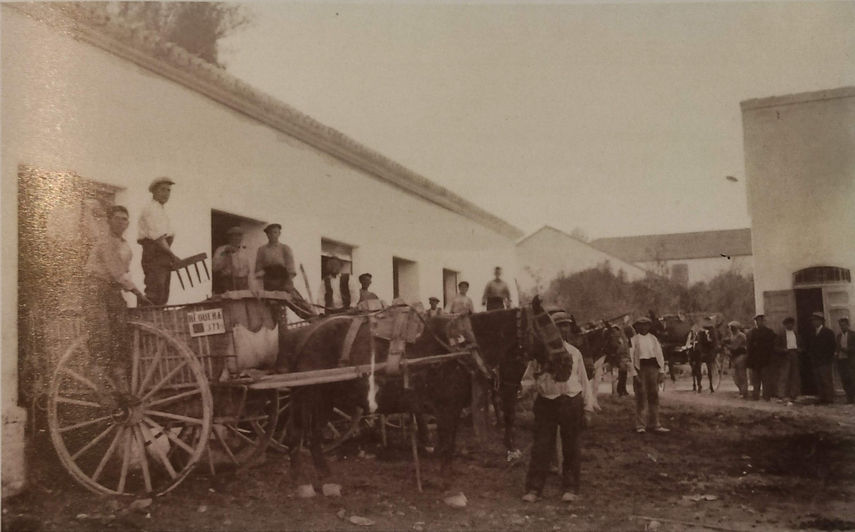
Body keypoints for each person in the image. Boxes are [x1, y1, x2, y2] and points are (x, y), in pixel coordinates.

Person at [521, 311, 594, 503]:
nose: (563, 329)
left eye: (566, 325)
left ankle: (570, 488)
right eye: (559, 325)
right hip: (547, 402)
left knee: (571, 446)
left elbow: (584, 381)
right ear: (551, 329)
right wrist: (526, 391)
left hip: (571, 401)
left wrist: (588, 408)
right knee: (541, 446)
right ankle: (534, 489)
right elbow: (528, 380)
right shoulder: (540, 353)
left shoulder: (574, 352)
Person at [84, 206, 151, 395]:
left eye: (125, 219)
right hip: (95, 289)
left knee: (121, 333)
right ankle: (99, 383)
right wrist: (137, 292)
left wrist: (130, 288)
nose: (122, 222)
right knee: (102, 334)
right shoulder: (105, 241)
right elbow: (116, 270)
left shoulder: (124, 244)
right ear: (108, 220)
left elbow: (122, 272)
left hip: (113, 290)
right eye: (117, 218)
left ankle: (120, 378)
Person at [137, 177, 180, 305]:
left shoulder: (160, 210)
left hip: (162, 254)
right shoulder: (151, 209)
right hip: (154, 253)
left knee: (162, 294)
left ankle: (156, 320)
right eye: (162, 190)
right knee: (154, 292)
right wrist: (172, 255)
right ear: (154, 192)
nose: (166, 193)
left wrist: (169, 256)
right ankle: (145, 320)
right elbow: (159, 238)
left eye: (168, 190)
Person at [628, 317, 669, 434]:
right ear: (637, 327)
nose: (643, 327)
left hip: (653, 368)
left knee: (654, 396)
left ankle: (655, 424)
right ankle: (640, 425)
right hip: (641, 369)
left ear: (649, 326)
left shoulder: (653, 339)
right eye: (641, 325)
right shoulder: (633, 340)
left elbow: (660, 355)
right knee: (641, 396)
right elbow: (630, 359)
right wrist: (635, 374)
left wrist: (661, 372)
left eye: (646, 325)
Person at [254, 223, 296, 291]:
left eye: (275, 232)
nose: (273, 235)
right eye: (270, 233)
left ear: (279, 234)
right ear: (267, 235)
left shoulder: (285, 248)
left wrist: (287, 283)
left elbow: (291, 269)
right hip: (268, 282)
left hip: (283, 282)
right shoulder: (262, 250)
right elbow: (258, 269)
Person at [808, 312, 836, 404]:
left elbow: (832, 347)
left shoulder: (828, 332)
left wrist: (828, 359)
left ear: (821, 321)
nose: (814, 322)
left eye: (815, 320)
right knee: (818, 380)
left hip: (824, 361)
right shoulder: (812, 333)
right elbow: (811, 347)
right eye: (813, 320)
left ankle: (829, 398)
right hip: (816, 361)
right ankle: (822, 397)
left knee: (826, 380)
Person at [746, 314, 776, 400]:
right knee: (756, 380)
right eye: (757, 321)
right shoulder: (751, 333)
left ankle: (766, 397)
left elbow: (772, 346)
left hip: (765, 360)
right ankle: (756, 396)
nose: (759, 322)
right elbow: (748, 347)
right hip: (754, 361)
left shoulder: (769, 332)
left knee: (766, 380)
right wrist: (749, 361)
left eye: (761, 321)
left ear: (764, 321)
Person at [212, 226, 250, 293]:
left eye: (239, 236)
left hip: (243, 282)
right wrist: (225, 254)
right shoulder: (221, 249)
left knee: (243, 300)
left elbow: (249, 269)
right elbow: (214, 268)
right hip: (228, 281)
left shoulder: (245, 250)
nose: (236, 238)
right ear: (229, 238)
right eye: (233, 236)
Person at [775, 317, 803, 405]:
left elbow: (802, 346)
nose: (790, 325)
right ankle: (781, 395)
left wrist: (800, 349)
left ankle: (793, 395)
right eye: (788, 323)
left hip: (794, 354)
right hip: (785, 355)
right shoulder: (781, 334)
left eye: (791, 323)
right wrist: (783, 350)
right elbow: (775, 347)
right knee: (784, 375)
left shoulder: (796, 334)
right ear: (785, 325)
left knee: (795, 375)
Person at [695, 317, 719, 393]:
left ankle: (709, 385)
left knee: (709, 368)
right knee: (700, 368)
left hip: (707, 352)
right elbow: (699, 343)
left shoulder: (712, 332)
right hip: (702, 352)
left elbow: (714, 343)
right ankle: (700, 385)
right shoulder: (700, 332)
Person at [726, 321, 748, 398]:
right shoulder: (733, 336)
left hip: (741, 356)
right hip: (734, 357)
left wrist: (727, 346)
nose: (731, 329)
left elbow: (735, 347)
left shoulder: (740, 336)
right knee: (735, 376)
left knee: (742, 375)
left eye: (732, 327)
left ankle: (744, 392)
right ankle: (741, 391)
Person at [836, 317, 855, 404]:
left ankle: (853, 398)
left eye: (844, 325)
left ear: (848, 325)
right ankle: (849, 398)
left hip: (850, 360)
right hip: (841, 360)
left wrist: (848, 349)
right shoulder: (839, 336)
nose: (842, 327)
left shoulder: (853, 334)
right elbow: (837, 347)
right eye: (841, 325)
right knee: (845, 380)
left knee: (852, 379)